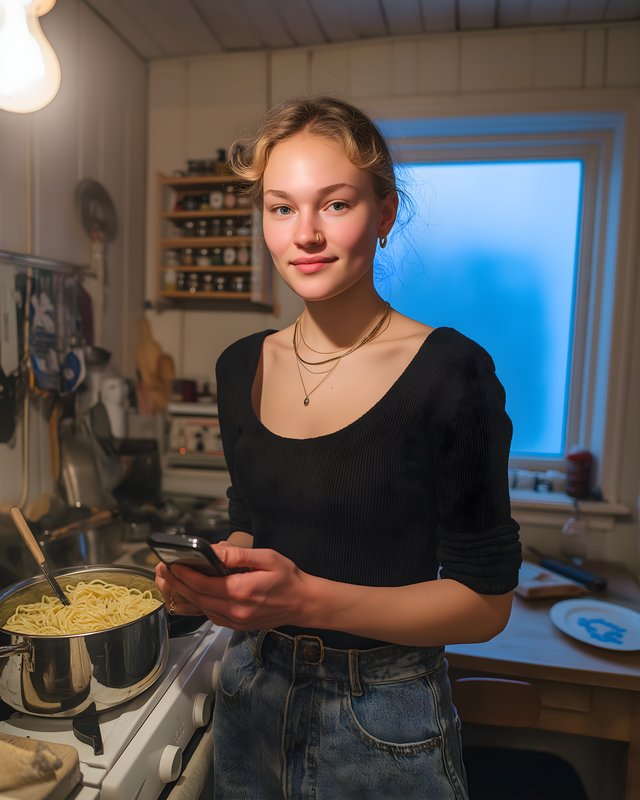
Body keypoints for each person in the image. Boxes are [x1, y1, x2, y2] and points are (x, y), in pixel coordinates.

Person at [154, 96, 522, 800]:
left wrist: (304, 599)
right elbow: (251, 521)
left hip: (385, 718)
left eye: (336, 204)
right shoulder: (240, 366)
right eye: (282, 208)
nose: (307, 235)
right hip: (251, 693)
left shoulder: (453, 373)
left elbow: (485, 605)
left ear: (384, 214)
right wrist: (216, 580)